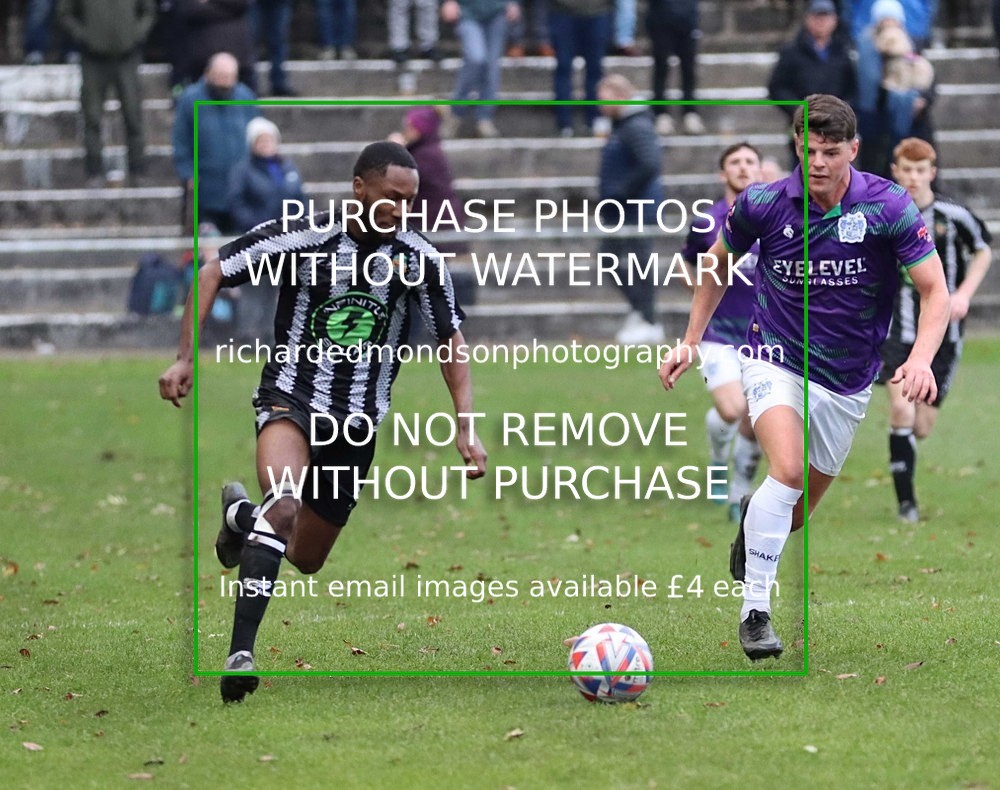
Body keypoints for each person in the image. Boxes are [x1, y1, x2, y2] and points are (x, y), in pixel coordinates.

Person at [158, 141, 488, 703]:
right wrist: (186, 358)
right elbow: (213, 271)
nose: (401, 210)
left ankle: (239, 517)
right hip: (290, 398)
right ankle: (240, 654)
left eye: (410, 201)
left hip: (357, 423)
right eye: (391, 198)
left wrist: (466, 424)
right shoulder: (303, 237)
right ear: (359, 188)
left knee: (305, 557)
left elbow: (450, 340)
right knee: (284, 506)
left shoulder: (418, 259)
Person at [658, 94, 949, 661]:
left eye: (830, 152)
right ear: (795, 145)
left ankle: (754, 517)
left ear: (853, 150)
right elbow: (716, 264)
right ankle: (755, 614)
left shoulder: (888, 205)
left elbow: (934, 290)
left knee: (791, 515)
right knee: (787, 471)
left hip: (848, 378)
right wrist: (691, 340)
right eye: (808, 149)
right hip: (774, 356)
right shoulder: (763, 202)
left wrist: (919, 359)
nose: (817, 162)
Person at [880, 137, 992, 522]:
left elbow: (983, 249)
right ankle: (906, 505)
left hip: (945, 333)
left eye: (920, 170)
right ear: (895, 172)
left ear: (932, 172)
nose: (913, 177)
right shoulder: (885, 215)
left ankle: (902, 454)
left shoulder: (953, 214)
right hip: (896, 329)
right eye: (906, 170)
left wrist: (964, 294)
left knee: (922, 425)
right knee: (901, 408)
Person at [679, 142, 764, 522]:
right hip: (719, 335)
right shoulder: (706, 221)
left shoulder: (775, 218)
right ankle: (718, 458)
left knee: (756, 415)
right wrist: (700, 293)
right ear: (722, 172)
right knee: (733, 409)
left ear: (760, 170)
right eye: (735, 162)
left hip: (764, 337)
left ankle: (738, 493)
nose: (743, 168)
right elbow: (685, 261)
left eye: (750, 161)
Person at [596, 74, 665, 345]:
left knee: (638, 263)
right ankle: (641, 312)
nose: (600, 105)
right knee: (610, 259)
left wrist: (621, 193)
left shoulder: (636, 126)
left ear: (621, 96)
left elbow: (650, 163)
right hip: (622, 209)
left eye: (605, 99)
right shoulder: (623, 125)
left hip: (636, 208)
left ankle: (649, 319)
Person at [56, 0, 155, 186]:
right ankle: (94, 171)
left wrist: (136, 34)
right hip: (93, 58)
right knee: (92, 117)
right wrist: (83, 36)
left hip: (127, 57)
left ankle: (138, 170)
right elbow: (65, 13)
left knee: (133, 115)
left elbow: (148, 11)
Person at [172, 52, 258, 234]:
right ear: (208, 74)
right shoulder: (190, 99)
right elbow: (181, 140)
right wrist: (187, 172)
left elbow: (256, 134)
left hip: (239, 188)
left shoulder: (245, 96)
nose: (225, 83)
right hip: (205, 188)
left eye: (230, 78)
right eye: (221, 77)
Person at [768, 0, 856, 167]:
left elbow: (852, 89)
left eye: (825, 17)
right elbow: (776, 88)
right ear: (807, 19)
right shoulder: (791, 52)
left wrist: (840, 111)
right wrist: (800, 110)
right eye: (817, 17)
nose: (821, 22)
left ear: (834, 20)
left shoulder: (843, 52)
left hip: (836, 126)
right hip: (803, 125)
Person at [855, 0, 935, 177]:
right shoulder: (868, 48)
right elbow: (869, 85)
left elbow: (928, 80)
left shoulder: (913, 44)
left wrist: (921, 100)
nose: (889, 23)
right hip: (879, 120)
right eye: (885, 19)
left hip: (914, 119)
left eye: (893, 19)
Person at [441, 0, 521, 138]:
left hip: (497, 12)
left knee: (491, 67)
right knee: (475, 58)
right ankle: (456, 112)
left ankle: (484, 118)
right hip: (467, 11)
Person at [227, 117, 306, 233]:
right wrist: (257, 226)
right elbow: (236, 203)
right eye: (260, 140)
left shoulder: (288, 167)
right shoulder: (242, 171)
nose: (266, 144)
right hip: (257, 234)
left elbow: (301, 198)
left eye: (269, 139)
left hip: (290, 232)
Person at [548, 0, 613, 137]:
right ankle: (564, 123)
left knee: (595, 69)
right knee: (563, 68)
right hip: (563, 11)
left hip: (598, 11)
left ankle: (595, 119)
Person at [646, 0, 704, 136]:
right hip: (661, 20)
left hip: (687, 19)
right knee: (661, 68)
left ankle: (690, 113)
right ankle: (660, 114)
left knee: (688, 69)